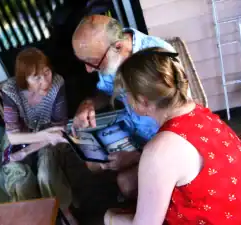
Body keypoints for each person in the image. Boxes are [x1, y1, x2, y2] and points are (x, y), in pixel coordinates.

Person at [104, 47, 241, 225]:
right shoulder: (201, 112)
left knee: (111, 216)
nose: (126, 100)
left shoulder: (160, 149)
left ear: (143, 101)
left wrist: (111, 219)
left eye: (126, 94)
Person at [71, 14, 176, 198]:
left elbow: (179, 125)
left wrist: (137, 155)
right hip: (131, 126)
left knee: (126, 183)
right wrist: (88, 103)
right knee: (93, 162)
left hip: (163, 136)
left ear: (118, 46)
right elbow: (106, 91)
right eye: (84, 62)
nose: (88, 70)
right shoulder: (109, 55)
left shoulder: (158, 59)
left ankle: (146, 201)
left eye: (92, 62)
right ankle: (137, 188)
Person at [1, 47, 78, 225]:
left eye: (47, 72)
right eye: (36, 77)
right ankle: (37, 217)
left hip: (50, 132)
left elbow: (58, 128)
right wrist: (26, 148)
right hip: (23, 134)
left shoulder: (57, 83)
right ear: (24, 80)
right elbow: (13, 137)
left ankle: (65, 210)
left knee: (46, 172)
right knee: (20, 179)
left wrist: (28, 150)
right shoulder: (10, 91)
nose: (45, 80)